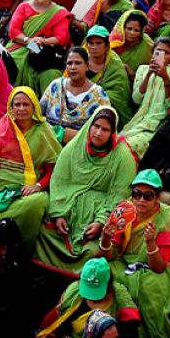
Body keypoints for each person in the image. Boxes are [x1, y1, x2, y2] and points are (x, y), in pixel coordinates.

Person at [94, 169, 170, 338]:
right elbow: (108, 256)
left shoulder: (166, 218)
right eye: (137, 194)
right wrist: (106, 238)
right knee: (102, 272)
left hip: (158, 265)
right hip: (126, 261)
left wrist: (151, 242)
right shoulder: (124, 211)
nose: (141, 200)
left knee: (149, 291)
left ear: (157, 198)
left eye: (148, 196)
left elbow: (159, 266)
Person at [36, 107, 137, 273]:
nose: (98, 133)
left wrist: (100, 221)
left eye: (105, 129)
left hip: (95, 219)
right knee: (42, 235)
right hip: (68, 213)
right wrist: (59, 213)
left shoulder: (123, 157)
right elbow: (59, 181)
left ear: (113, 133)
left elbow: (118, 196)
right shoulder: (74, 148)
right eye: (95, 126)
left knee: (92, 252)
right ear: (89, 126)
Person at [0, 85, 62, 248]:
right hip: (3, 186)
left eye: (26, 104)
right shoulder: (2, 129)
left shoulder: (43, 131)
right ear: (10, 107)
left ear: (34, 106)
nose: (21, 109)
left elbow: (54, 168)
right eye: (17, 104)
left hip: (31, 188)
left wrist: (38, 186)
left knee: (37, 203)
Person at [5, 0, 73, 93]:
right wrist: (28, 41)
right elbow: (13, 31)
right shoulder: (24, 6)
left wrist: (43, 41)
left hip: (44, 52)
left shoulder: (58, 12)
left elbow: (61, 38)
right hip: (21, 46)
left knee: (51, 75)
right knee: (10, 63)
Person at [40, 47, 113, 144]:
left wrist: (66, 134)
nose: (73, 67)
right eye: (69, 63)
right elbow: (38, 113)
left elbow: (104, 128)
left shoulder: (99, 95)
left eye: (78, 63)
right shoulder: (56, 86)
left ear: (87, 66)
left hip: (80, 147)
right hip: (49, 143)